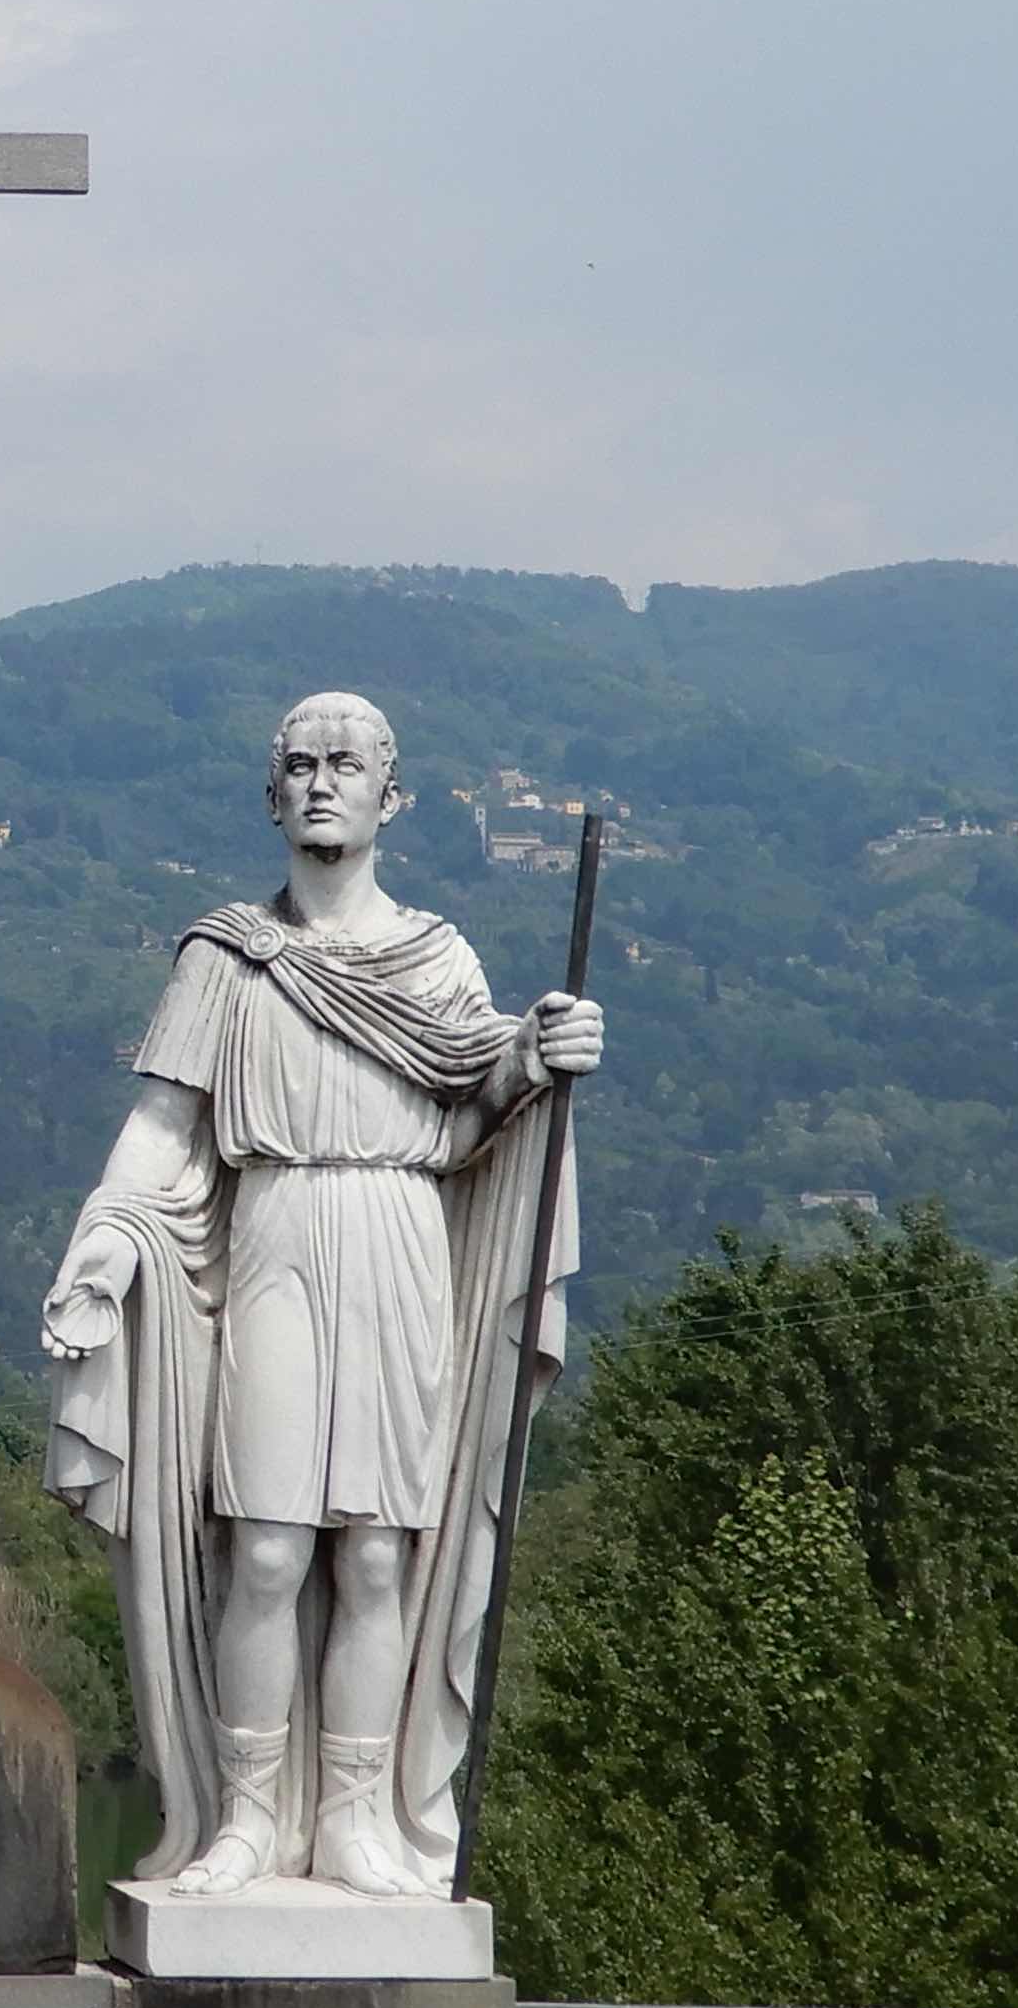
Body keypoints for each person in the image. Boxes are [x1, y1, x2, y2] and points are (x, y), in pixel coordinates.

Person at [43, 692, 603, 1899]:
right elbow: (161, 1122)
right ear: (271, 795)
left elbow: (469, 1116)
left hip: (399, 1236)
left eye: (344, 764)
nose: (318, 781)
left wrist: (533, 1056)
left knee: (382, 1558)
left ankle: (351, 1814)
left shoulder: (438, 957)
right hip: (279, 1231)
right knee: (266, 1545)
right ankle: (247, 1814)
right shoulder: (227, 956)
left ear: (389, 795)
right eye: (297, 764)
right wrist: (105, 1234)